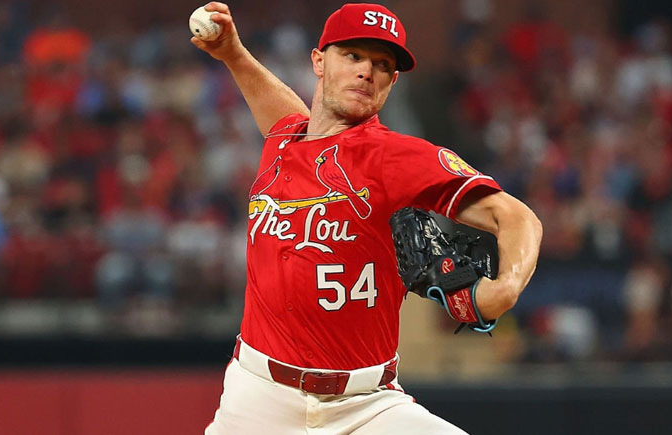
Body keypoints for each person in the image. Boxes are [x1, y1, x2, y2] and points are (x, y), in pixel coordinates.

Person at [191, 3, 542, 434]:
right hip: (257, 397)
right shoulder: (285, 138)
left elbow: (517, 216)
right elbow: (287, 115)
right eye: (353, 55)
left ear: (392, 82)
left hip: (365, 406)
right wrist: (234, 54)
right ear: (319, 61)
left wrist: (504, 289)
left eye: (382, 65)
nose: (366, 72)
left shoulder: (395, 156)